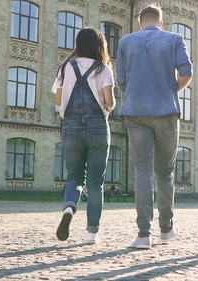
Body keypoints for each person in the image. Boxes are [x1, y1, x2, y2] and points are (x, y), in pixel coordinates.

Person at [116, 3, 192, 249]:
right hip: (166, 111)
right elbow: (186, 72)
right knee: (165, 172)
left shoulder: (126, 41)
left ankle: (142, 234)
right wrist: (171, 90)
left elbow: (121, 81)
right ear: (161, 22)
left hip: (135, 113)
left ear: (140, 22)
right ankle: (167, 229)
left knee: (142, 171)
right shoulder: (174, 38)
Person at [53, 28, 115, 244]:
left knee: (74, 177)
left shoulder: (65, 68)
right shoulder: (103, 69)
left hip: (70, 126)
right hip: (97, 126)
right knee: (96, 183)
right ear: (100, 46)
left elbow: (59, 102)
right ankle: (92, 233)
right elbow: (109, 103)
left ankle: (69, 208)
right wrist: (107, 106)